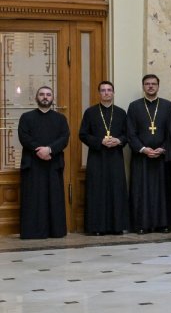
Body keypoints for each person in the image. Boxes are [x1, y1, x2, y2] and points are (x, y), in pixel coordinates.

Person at [18, 85, 70, 239]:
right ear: (36, 98)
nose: (45, 97)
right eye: (42, 94)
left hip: (53, 163)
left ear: (52, 98)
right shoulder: (26, 117)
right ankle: (32, 231)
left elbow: (64, 138)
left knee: (53, 198)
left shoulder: (60, 118)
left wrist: (50, 150)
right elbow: (24, 137)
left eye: (48, 94)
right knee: (33, 199)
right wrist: (39, 151)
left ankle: (56, 231)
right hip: (32, 164)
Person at [79, 81, 129, 235]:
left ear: (113, 93)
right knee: (97, 191)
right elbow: (83, 134)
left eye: (109, 90)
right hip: (97, 157)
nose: (106, 93)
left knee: (116, 190)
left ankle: (117, 226)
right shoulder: (90, 112)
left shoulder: (121, 113)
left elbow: (128, 134)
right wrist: (99, 141)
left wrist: (119, 140)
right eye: (103, 90)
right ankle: (96, 228)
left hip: (115, 157)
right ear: (99, 93)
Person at [127, 73, 171, 233]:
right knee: (142, 192)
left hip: (162, 157)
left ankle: (163, 224)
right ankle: (142, 225)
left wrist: (163, 148)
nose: (151, 86)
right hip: (141, 157)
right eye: (147, 84)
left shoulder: (168, 106)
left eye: (153, 84)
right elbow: (130, 132)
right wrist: (143, 149)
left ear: (158, 86)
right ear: (143, 86)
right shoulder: (134, 106)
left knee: (162, 191)